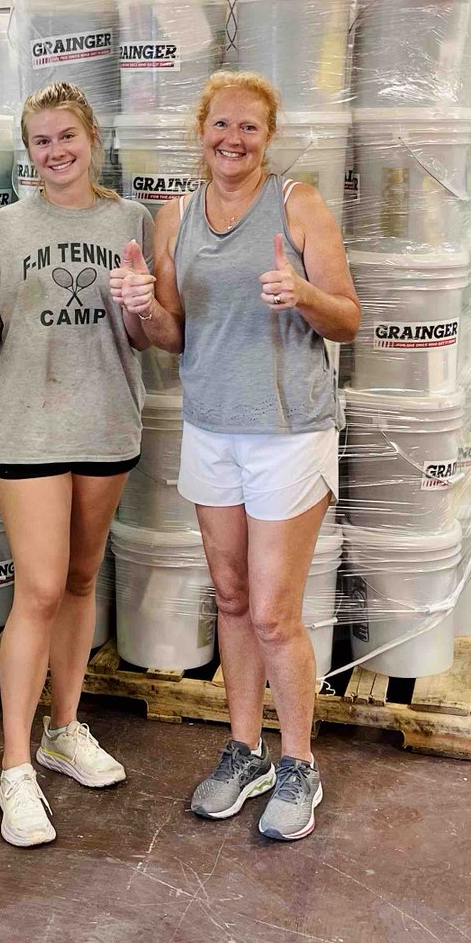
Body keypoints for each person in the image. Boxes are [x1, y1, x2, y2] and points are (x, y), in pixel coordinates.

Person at [113, 69, 359, 842]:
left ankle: (299, 764)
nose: (233, 139)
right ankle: (245, 750)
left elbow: (349, 317)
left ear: (269, 136)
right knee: (228, 598)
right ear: (202, 129)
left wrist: (303, 295)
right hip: (211, 427)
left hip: (288, 431)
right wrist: (141, 308)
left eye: (250, 127)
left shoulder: (299, 205)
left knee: (275, 612)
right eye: (222, 124)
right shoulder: (174, 217)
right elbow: (173, 336)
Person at [0, 81, 153, 848]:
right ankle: (13, 771)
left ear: (91, 139)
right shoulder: (2, 229)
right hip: (27, 431)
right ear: (27, 150)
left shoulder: (131, 220)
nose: (55, 151)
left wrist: (140, 300)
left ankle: (63, 731)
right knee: (36, 590)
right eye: (41, 141)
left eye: (67, 136)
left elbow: (143, 335)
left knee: (77, 579)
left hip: (106, 426)